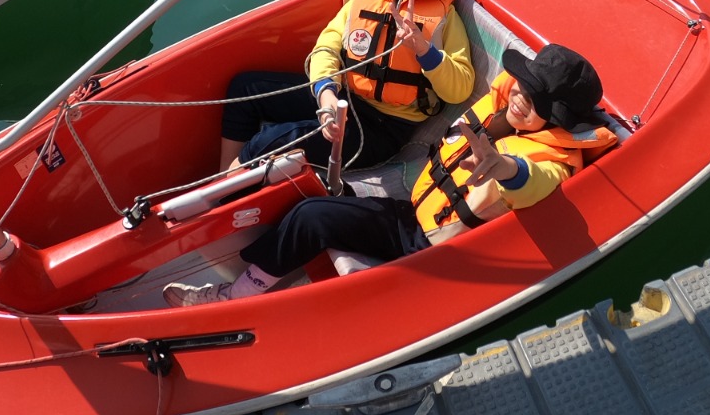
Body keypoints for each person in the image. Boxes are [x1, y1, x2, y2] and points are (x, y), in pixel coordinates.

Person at [167, 45, 617, 305]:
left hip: (434, 250)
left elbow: (535, 181)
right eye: (523, 88)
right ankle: (256, 275)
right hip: (411, 214)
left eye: (536, 103)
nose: (520, 100)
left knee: (313, 216)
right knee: (313, 202)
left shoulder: (554, 159)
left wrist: (505, 168)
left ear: (556, 119)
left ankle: (234, 298)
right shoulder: (504, 111)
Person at [216, 0, 474, 175]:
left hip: (384, 129)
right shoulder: (362, 3)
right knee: (245, 90)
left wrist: (424, 50)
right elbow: (326, 48)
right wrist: (326, 93)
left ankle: (223, 192)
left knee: (269, 141)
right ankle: (224, 173)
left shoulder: (446, 19)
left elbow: (459, 90)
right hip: (344, 98)